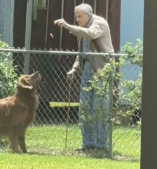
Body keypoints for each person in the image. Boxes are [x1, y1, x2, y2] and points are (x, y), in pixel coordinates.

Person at [54, 3, 114, 151]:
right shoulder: (82, 29)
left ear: (88, 15)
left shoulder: (100, 23)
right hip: (86, 69)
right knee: (85, 108)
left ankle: (102, 146)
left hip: (101, 70)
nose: (77, 19)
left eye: (79, 16)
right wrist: (74, 69)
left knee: (99, 108)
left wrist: (68, 26)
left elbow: (91, 34)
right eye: (76, 16)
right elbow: (82, 53)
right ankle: (88, 144)